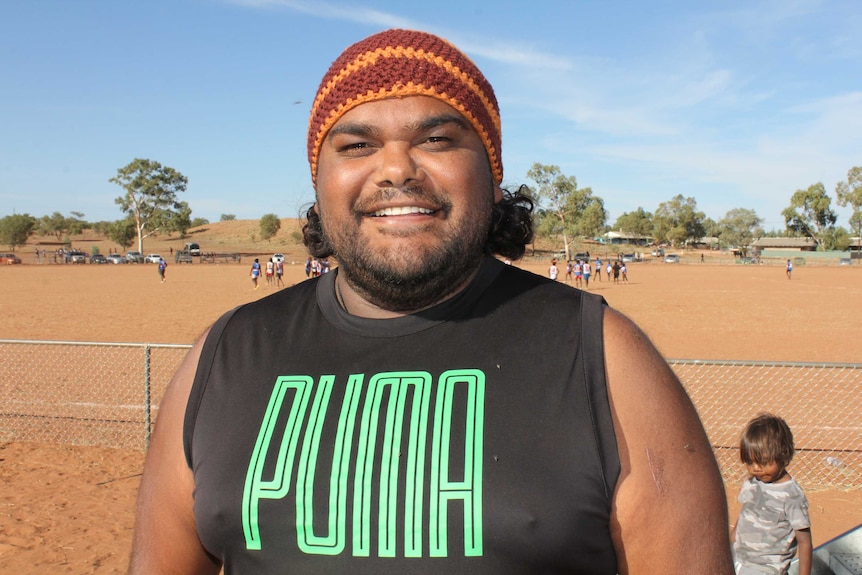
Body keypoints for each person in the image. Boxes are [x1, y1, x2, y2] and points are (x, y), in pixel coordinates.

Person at [129, 28, 732, 574]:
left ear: (492, 174)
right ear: (318, 181)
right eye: (357, 146)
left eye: (438, 138)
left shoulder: (602, 356)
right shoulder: (226, 355)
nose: (396, 169)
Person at [731, 413, 812, 575]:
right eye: (749, 462)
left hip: (766, 568)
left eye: (763, 461)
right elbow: (744, 517)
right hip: (738, 559)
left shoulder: (791, 496)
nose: (756, 468)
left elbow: (804, 542)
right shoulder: (752, 482)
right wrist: (727, 546)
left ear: (783, 455)